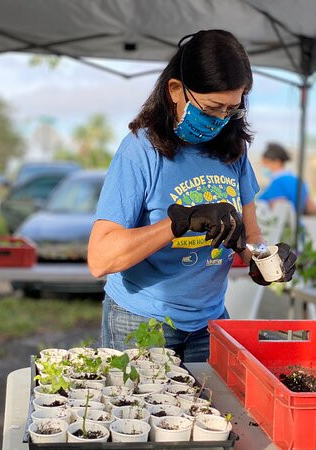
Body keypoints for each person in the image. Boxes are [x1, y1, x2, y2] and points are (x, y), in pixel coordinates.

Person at [88, 30, 296, 362]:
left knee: (212, 412)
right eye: (213, 107)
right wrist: (180, 222)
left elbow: (250, 237)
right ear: (175, 90)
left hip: (210, 323)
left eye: (231, 110)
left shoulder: (234, 150)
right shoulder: (141, 150)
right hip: (142, 322)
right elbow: (101, 258)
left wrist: (265, 260)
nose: (220, 120)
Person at [259, 142, 316, 215]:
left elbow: (275, 207)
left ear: (277, 162)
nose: (263, 166)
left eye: (265, 163)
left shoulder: (278, 183)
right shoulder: (299, 181)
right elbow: (310, 206)